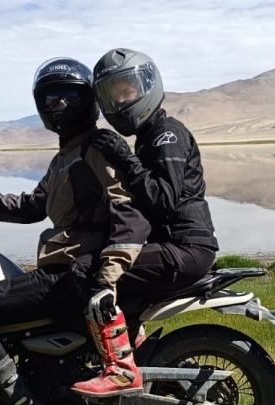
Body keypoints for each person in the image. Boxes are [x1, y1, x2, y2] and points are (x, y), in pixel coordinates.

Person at [0, 57, 150, 405]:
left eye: (68, 96)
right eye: (52, 97)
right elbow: (33, 205)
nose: (60, 104)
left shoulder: (96, 148)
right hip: (65, 268)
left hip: (74, 272)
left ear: (88, 99)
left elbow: (128, 211)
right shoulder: (66, 157)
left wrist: (109, 274)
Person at [84, 48, 220, 317]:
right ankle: (134, 336)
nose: (120, 101)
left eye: (127, 92)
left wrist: (124, 157)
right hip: (176, 246)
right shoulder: (148, 137)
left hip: (186, 248)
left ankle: (111, 345)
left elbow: (162, 200)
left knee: (89, 270)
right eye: (113, 95)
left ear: (147, 86)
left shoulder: (166, 134)